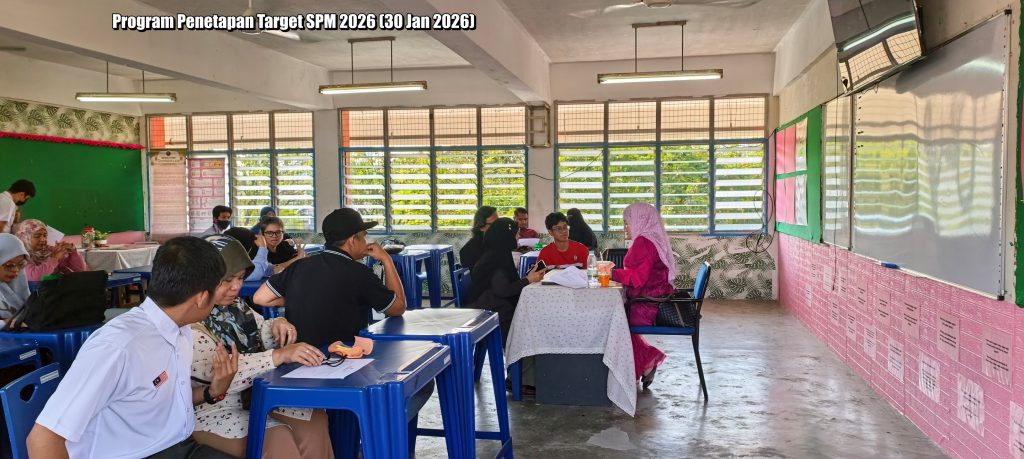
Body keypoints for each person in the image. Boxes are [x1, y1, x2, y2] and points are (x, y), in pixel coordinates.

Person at [28, 237, 236, 458]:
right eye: (219, 287)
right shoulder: (117, 347)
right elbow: (42, 439)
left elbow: (156, 404)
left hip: (177, 446)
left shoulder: (179, 329)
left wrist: (212, 392)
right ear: (202, 298)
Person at [192, 236, 332, 458]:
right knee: (278, 438)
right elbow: (219, 371)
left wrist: (277, 324)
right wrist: (279, 355)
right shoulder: (189, 318)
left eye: (240, 278)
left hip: (255, 394)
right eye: (227, 280)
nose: (236, 287)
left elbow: (259, 329)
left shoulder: (235, 307)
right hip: (210, 410)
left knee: (314, 419)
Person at [253, 208, 406, 347]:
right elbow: (398, 308)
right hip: (344, 357)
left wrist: (303, 297)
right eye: (363, 237)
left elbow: (260, 298)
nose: (366, 242)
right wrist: (386, 259)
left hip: (299, 357)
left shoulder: (299, 265)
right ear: (353, 240)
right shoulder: (360, 273)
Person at [612, 203, 676, 390]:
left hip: (649, 304)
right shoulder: (652, 239)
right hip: (655, 299)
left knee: (614, 320)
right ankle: (644, 363)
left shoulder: (644, 242)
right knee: (617, 316)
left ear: (640, 220)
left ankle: (638, 364)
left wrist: (611, 273)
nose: (625, 228)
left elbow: (637, 279)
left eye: (627, 222)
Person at [467, 217, 544, 343]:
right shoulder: (495, 258)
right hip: (488, 310)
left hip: (493, 303)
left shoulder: (499, 252)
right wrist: (528, 280)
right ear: (506, 236)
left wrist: (528, 277)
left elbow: (506, 284)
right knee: (530, 316)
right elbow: (503, 290)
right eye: (516, 234)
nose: (519, 237)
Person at [14, 219, 87, 282]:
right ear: (25, 237)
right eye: (37, 236)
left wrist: (73, 252)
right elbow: (34, 277)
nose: (43, 239)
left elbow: (80, 270)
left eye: (45, 235)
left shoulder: (49, 251)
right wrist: (54, 258)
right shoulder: (20, 255)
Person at [0, 233, 30, 327]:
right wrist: (4, 323)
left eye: (21, 265)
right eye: (9, 265)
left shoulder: (19, 287)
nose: (16, 270)